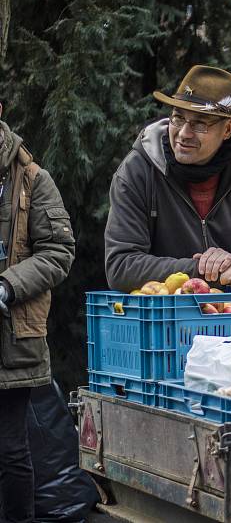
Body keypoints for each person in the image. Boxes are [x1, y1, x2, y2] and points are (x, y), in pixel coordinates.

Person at [104, 65, 231, 293]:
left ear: (228, 129)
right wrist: (208, 271)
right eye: (178, 118)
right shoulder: (138, 171)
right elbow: (121, 266)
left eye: (200, 124)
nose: (183, 134)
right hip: (165, 322)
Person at [0, 103, 76, 523]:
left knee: (11, 450)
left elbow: (59, 252)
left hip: (13, 337)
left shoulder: (32, 180)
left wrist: (8, 286)